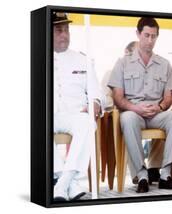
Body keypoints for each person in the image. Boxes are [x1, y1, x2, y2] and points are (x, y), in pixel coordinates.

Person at [108, 17, 172, 193]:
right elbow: (117, 98)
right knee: (127, 118)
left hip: (156, 113)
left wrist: (159, 107)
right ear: (138, 34)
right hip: (134, 112)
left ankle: (165, 174)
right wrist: (136, 108)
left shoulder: (164, 64)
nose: (150, 41)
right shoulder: (122, 63)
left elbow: (168, 98)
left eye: (154, 36)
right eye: (146, 35)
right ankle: (142, 176)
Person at [53, 12, 105, 201]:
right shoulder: (35, 58)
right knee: (35, 126)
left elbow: (96, 92)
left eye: (66, 30)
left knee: (88, 123)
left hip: (74, 114)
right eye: (59, 30)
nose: (64, 34)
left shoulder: (82, 59)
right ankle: (69, 183)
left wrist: (96, 102)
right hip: (47, 114)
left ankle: (62, 183)